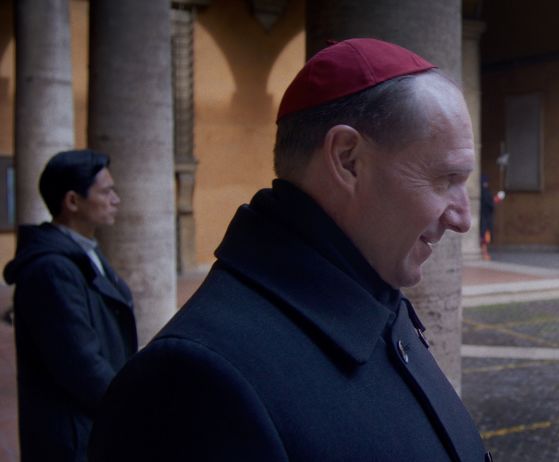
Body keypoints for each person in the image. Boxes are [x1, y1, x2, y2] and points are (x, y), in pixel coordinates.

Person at [88, 38, 491, 461]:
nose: (463, 218)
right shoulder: (189, 385)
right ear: (348, 160)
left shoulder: (374, 296)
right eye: (445, 179)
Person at [3, 149, 135, 462]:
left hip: (89, 425)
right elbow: (81, 364)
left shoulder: (85, 251)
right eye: (106, 191)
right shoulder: (52, 270)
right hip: (71, 436)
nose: (116, 199)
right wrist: (131, 407)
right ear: (73, 202)